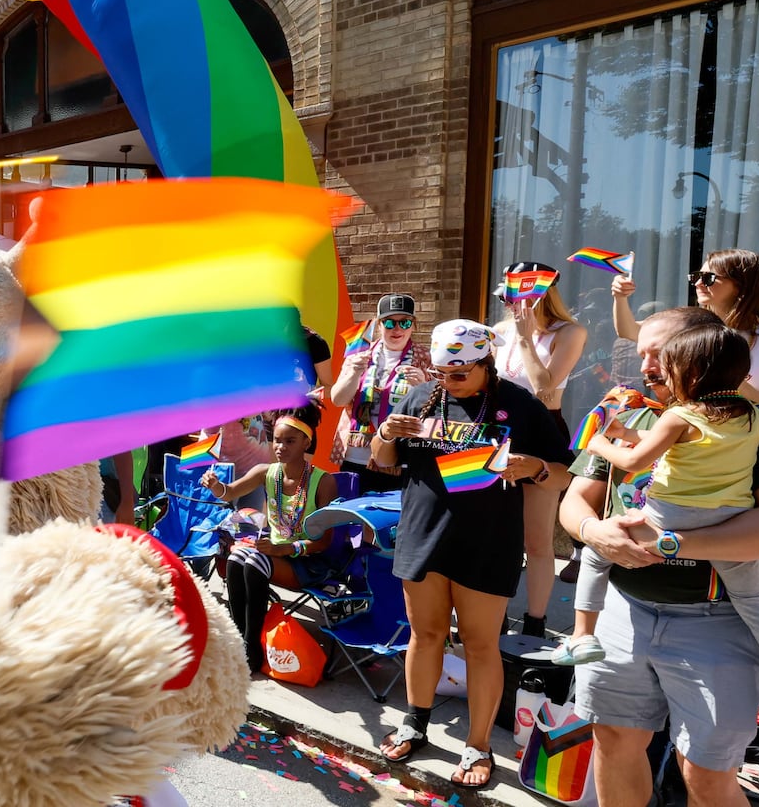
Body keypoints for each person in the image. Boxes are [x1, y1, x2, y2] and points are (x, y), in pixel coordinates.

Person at [561, 306, 759, 807]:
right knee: (614, 739)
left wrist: (671, 543)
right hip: (622, 612)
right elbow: (575, 502)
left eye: (658, 354)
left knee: (705, 772)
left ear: (696, 352)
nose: (646, 366)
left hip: (720, 621)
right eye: (642, 353)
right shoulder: (626, 414)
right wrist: (595, 533)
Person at [369, 319, 572, 790]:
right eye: (442, 373)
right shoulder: (421, 398)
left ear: (487, 364)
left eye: (459, 373)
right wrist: (384, 433)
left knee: (481, 646)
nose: (448, 381)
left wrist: (537, 468)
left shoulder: (520, 405)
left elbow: (566, 473)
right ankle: (414, 722)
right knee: (426, 633)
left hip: (487, 541)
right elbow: (384, 459)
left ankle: (478, 745)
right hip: (423, 534)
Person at [201, 405, 340, 674]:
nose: (281, 447)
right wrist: (215, 485)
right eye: (277, 440)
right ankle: (240, 641)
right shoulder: (267, 472)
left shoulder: (323, 482)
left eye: (290, 441)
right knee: (238, 556)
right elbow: (229, 492)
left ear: (306, 443)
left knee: (253, 563)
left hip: (308, 562)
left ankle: (252, 646)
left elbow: (324, 543)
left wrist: (286, 548)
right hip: (273, 554)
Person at [492, 262, 588, 635]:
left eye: (524, 292)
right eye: (510, 292)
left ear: (544, 293)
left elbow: (544, 389)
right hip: (498, 431)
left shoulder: (570, 331)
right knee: (497, 532)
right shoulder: (499, 331)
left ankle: (535, 620)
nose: (515, 300)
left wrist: (525, 338)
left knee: (536, 538)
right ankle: (494, 611)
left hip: (541, 429)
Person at [614, 248, 759, 413]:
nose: (697, 283)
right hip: (688, 435)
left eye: (708, 278)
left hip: (749, 445)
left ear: (741, 285)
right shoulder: (690, 326)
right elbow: (629, 331)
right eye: (696, 276)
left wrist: (727, 377)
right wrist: (620, 298)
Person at [329, 293, 431, 494]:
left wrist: (423, 384)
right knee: (352, 520)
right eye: (390, 323)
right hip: (355, 455)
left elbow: (436, 409)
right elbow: (338, 400)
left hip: (398, 457)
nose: (397, 329)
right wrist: (354, 374)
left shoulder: (426, 358)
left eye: (405, 322)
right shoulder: (359, 353)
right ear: (379, 324)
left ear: (414, 325)